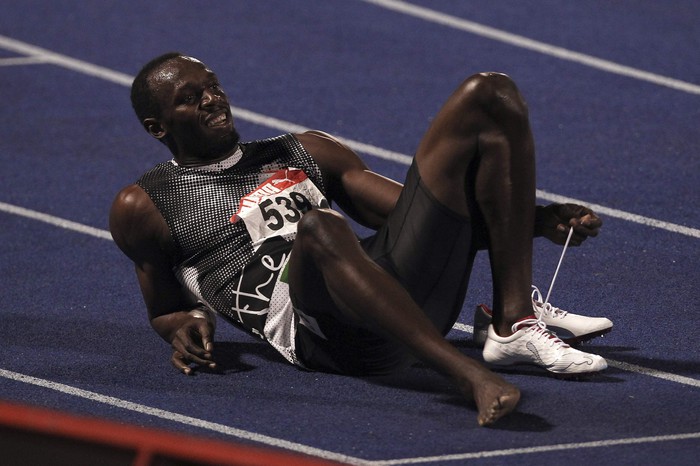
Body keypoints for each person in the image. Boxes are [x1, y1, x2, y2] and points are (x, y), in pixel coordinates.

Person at [110, 53, 611, 427]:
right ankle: (466, 374)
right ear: (157, 127)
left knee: (489, 92)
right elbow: (165, 309)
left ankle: (512, 323)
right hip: (329, 338)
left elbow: (422, 221)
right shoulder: (144, 205)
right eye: (190, 98)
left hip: (392, 289)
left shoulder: (304, 150)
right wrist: (187, 324)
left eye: (213, 86)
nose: (212, 99)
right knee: (319, 228)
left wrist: (536, 221)